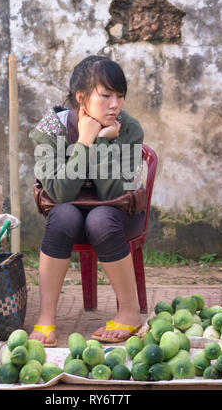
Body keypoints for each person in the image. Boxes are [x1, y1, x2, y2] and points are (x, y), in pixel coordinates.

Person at [29, 55, 145, 346]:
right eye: (106, 95)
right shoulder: (50, 131)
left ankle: (129, 313)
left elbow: (114, 193)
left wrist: (104, 140)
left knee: (100, 218)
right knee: (64, 215)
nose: (115, 104)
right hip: (67, 214)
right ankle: (46, 318)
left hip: (118, 214)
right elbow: (60, 194)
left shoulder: (129, 129)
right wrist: (84, 141)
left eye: (120, 96)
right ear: (81, 97)